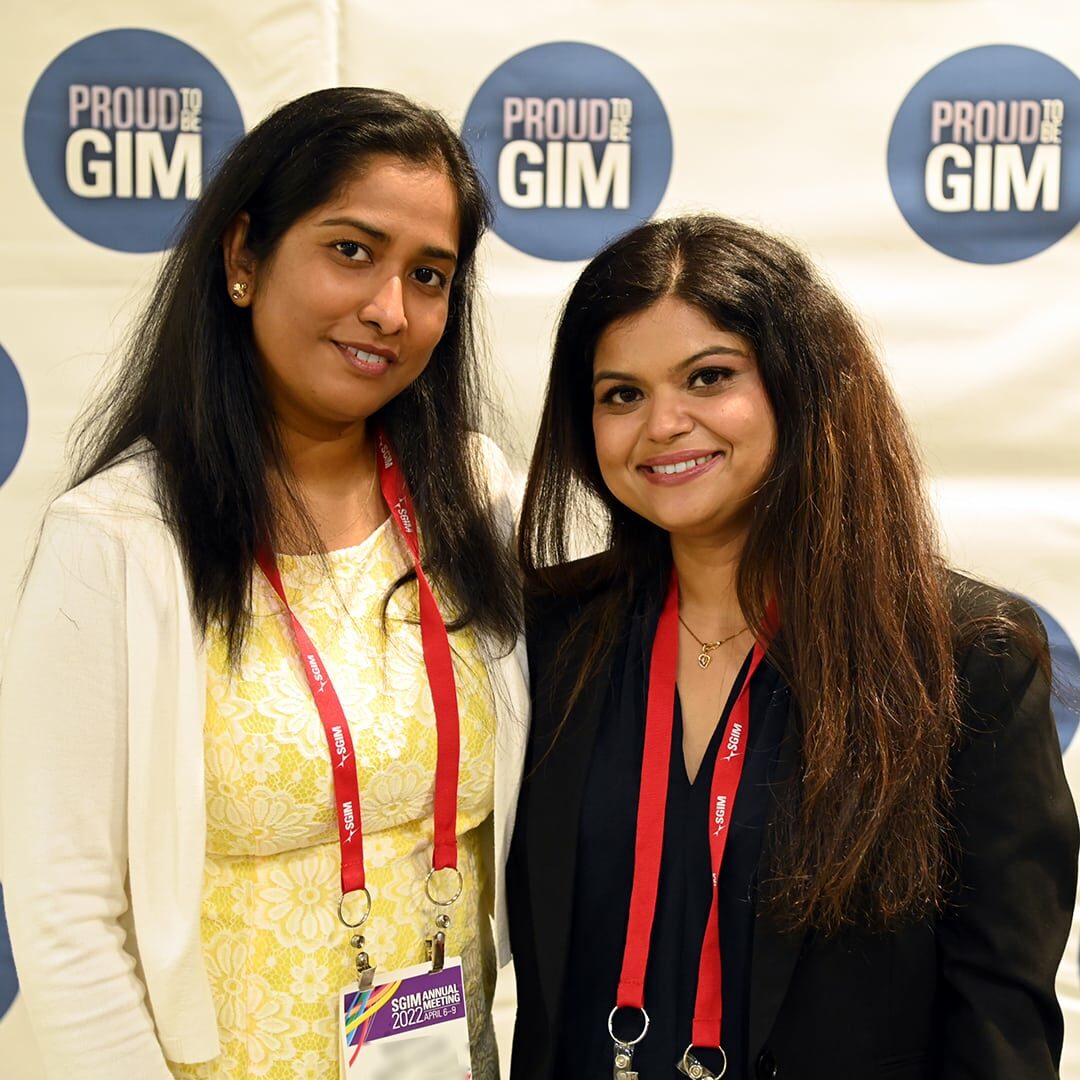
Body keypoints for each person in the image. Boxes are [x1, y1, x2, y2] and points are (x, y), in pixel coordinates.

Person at [0, 87, 528, 1080]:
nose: (390, 309)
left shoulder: (473, 494)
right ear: (244, 258)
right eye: (352, 251)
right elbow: (65, 910)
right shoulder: (120, 538)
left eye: (430, 275)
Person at [509, 214, 1078, 1079]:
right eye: (620, 394)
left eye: (708, 378)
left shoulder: (965, 658)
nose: (663, 423)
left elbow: (1000, 1021)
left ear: (798, 386)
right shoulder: (545, 634)